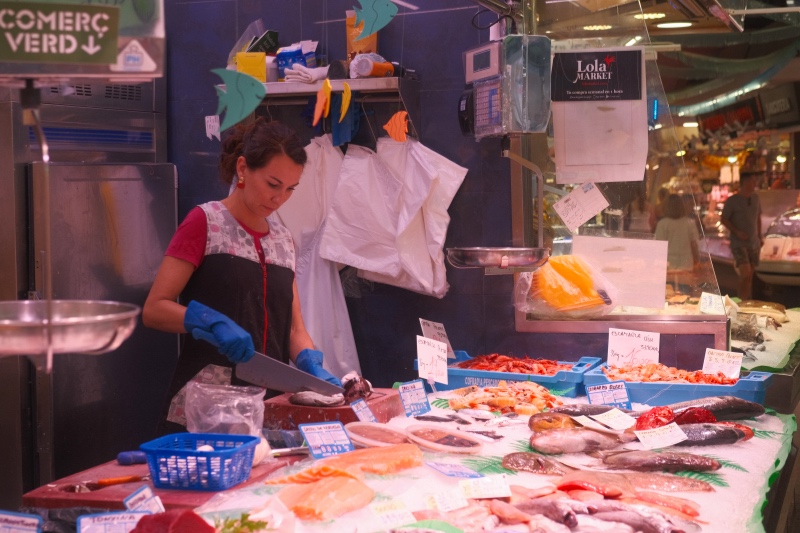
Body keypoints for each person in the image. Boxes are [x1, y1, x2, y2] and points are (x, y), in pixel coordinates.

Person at [143, 118, 341, 433]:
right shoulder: (205, 222)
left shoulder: (283, 238)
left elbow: (293, 329)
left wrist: (309, 362)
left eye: (291, 189)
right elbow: (154, 309)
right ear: (243, 168)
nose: (279, 199)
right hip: (205, 405)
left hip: (268, 406)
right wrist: (208, 321)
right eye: (273, 184)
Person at [720, 171, 763, 300]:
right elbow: (724, 219)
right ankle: (741, 301)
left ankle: (746, 301)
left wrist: (760, 236)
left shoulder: (755, 198)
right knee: (745, 273)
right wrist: (736, 231)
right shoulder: (732, 201)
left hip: (753, 242)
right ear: (745, 182)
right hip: (739, 243)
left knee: (750, 275)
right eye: (752, 181)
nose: (755, 183)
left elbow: (758, 218)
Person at [655, 193, 700, 274]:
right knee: (685, 285)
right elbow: (694, 245)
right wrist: (697, 260)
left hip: (668, 263)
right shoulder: (690, 223)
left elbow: (659, 247)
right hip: (686, 264)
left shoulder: (662, 223)